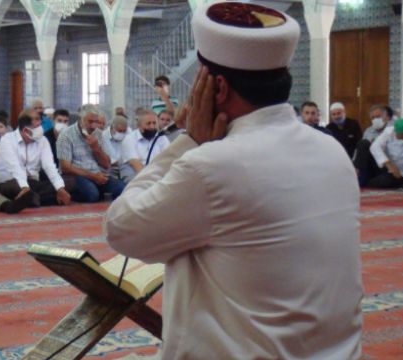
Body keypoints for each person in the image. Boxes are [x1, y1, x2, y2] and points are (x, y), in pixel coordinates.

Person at [106, 3, 362, 359]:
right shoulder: (332, 152)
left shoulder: (211, 165)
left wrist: (188, 141)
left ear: (217, 88)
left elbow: (121, 228)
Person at [0, 113, 71, 207]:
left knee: (68, 183)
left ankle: (31, 198)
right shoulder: (7, 139)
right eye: (37, 126)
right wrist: (24, 187)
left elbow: (49, 166)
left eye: (40, 124)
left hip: (33, 182)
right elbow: (14, 167)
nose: (41, 129)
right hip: (11, 181)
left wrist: (60, 188)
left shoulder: (42, 140)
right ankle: (36, 198)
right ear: (25, 130)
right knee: (28, 194)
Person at [57, 104, 124, 203]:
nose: (93, 126)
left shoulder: (98, 134)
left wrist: (96, 149)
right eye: (90, 122)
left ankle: (98, 191)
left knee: (122, 189)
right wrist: (93, 176)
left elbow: (106, 164)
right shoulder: (66, 135)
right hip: (76, 175)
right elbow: (65, 168)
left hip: (98, 174)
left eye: (96, 122)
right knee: (92, 195)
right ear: (80, 120)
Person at [355, 118, 403, 188]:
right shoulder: (390, 131)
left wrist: (398, 172)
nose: (397, 135)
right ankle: (359, 178)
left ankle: (366, 184)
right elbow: (375, 147)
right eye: (396, 133)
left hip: (399, 173)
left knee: (384, 182)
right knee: (364, 143)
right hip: (383, 165)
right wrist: (389, 164)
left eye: (401, 134)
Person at [120, 109, 170, 183]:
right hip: (135, 172)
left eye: (154, 123)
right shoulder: (129, 139)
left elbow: (168, 159)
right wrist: (154, 180)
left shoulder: (162, 138)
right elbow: (135, 164)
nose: (152, 127)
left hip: (157, 172)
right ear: (139, 126)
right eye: (148, 123)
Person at [101, 115, 130, 181]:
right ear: (112, 128)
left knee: (130, 178)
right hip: (110, 167)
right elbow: (104, 155)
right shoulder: (103, 136)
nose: (122, 133)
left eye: (124, 131)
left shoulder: (128, 134)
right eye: (119, 131)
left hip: (125, 165)